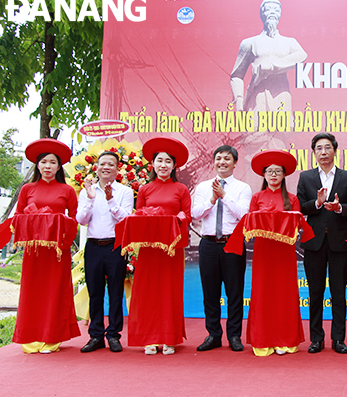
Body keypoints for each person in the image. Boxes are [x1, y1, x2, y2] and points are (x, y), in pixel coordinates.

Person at [12, 139, 80, 353]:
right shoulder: (27, 189)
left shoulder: (67, 190)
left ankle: (51, 337)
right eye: (44, 162)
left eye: (52, 162)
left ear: (59, 167)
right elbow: (18, 217)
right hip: (34, 252)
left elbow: (75, 219)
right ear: (37, 165)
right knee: (32, 291)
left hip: (56, 252)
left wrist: (58, 223)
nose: (48, 166)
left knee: (54, 292)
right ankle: (30, 337)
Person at [129, 137, 191, 355]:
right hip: (149, 249)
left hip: (171, 250)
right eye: (159, 160)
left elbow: (188, 217)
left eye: (167, 161)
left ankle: (169, 337)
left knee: (169, 291)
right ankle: (148, 338)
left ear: (174, 165)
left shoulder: (181, 189)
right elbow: (138, 215)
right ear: (152, 164)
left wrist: (179, 219)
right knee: (148, 291)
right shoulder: (145, 190)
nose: (163, 165)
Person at [297, 133, 347, 354]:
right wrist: (318, 203)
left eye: (327, 148)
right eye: (319, 148)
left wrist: (339, 208)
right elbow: (301, 206)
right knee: (315, 292)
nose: (323, 152)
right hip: (314, 242)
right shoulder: (306, 177)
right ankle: (316, 338)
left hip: (339, 241)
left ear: (335, 150)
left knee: (339, 292)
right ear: (314, 152)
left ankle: (338, 339)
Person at [192, 145, 252, 352]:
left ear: (235, 163)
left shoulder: (243, 188)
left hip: (232, 243)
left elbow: (243, 214)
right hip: (208, 243)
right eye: (218, 158)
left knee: (234, 292)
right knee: (210, 292)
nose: (222, 162)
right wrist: (212, 199)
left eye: (227, 159)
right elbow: (196, 214)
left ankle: (234, 336)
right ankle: (213, 334)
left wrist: (224, 196)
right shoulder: (202, 187)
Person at [246, 150, 304, 356]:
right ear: (264, 175)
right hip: (263, 252)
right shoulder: (257, 197)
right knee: (263, 292)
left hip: (285, 253)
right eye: (269, 171)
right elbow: (250, 224)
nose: (273, 175)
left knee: (283, 293)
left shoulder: (292, 199)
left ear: (284, 175)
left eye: (277, 171)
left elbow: (297, 226)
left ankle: (285, 340)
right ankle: (263, 340)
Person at [78, 151, 133, 353]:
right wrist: (92, 199)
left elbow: (126, 219)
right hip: (92, 246)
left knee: (116, 291)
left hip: (115, 246)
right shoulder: (86, 191)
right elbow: (81, 220)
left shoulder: (125, 192)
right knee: (95, 292)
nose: (106, 167)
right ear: (97, 167)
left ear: (117, 169)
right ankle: (96, 336)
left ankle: (114, 335)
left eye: (111, 164)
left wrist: (111, 200)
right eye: (102, 164)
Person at [230, 0, 307, 112]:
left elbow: (301, 55)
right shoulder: (250, 43)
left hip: (281, 93)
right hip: (257, 94)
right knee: (257, 129)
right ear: (262, 14)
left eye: (276, 10)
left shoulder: (289, 42)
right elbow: (236, 76)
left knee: (283, 128)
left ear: (280, 15)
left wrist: (271, 66)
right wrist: (239, 100)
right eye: (268, 10)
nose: (272, 12)